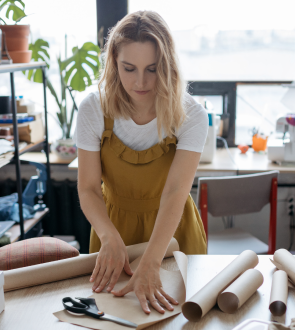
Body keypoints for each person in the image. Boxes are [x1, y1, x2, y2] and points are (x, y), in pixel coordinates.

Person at [73, 10, 208, 315]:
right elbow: (89, 189)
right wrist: (109, 237)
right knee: (109, 318)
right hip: (113, 230)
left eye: (153, 68)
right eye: (129, 68)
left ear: (168, 65)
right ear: (114, 64)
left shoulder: (191, 115)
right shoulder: (93, 109)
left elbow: (175, 192)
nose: (141, 82)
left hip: (173, 234)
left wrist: (151, 260)